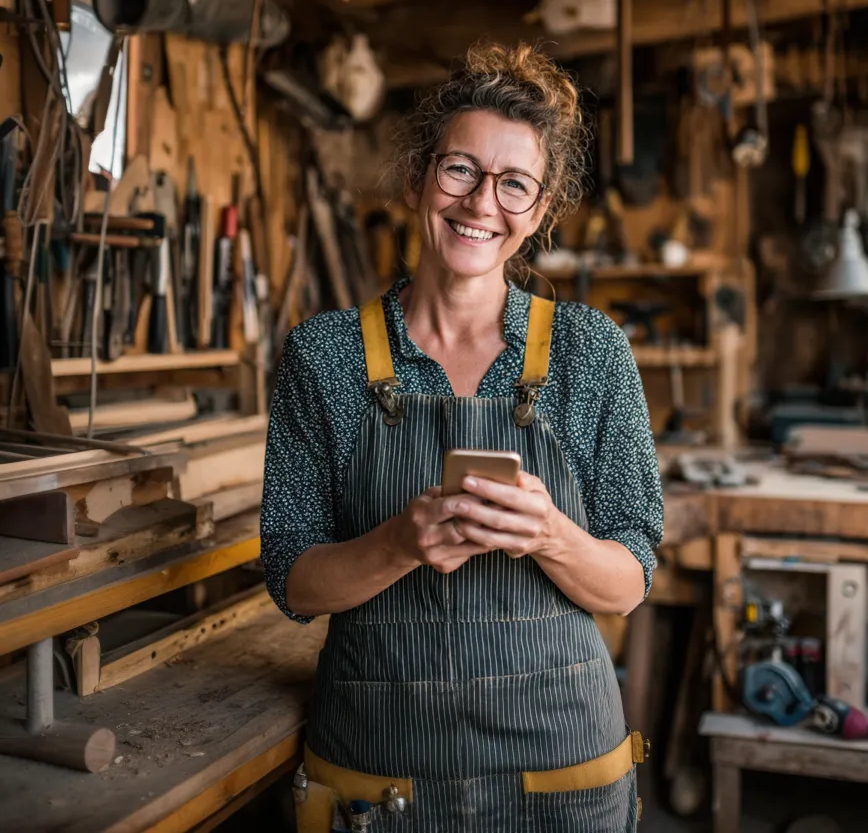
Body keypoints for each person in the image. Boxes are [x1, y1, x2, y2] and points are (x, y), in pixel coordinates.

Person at [261, 41, 663, 832]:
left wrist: (551, 535)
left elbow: (629, 582)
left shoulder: (594, 353)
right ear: (417, 178)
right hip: (381, 780)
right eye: (460, 171)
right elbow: (292, 580)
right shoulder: (325, 356)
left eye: (514, 184)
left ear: (540, 211)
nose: (483, 203)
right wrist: (398, 545)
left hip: (562, 779)